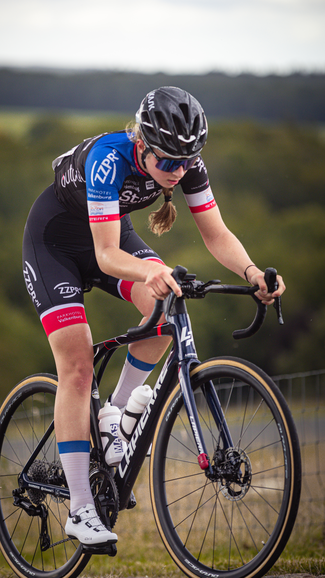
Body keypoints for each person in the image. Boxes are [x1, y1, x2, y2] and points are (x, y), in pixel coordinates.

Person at [22, 86, 285, 546]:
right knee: (78, 366)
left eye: (186, 162)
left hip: (107, 232)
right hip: (55, 244)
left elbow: (216, 233)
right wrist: (152, 269)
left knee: (164, 306)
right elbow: (106, 256)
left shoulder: (184, 163)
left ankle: (116, 415)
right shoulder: (109, 159)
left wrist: (251, 271)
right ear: (141, 145)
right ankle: (81, 509)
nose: (178, 171)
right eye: (167, 162)